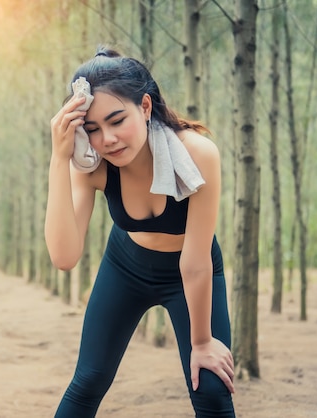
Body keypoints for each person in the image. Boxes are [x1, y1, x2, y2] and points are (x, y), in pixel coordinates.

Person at [45, 46, 236, 417]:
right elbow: (64, 256)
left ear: (145, 107)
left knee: (211, 388)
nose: (107, 139)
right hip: (125, 267)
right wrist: (59, 158)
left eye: (117, 121)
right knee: (88, 381)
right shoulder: (92, 166)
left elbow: (195, 263)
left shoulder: (198, 154)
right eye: (92, 130)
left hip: (191, 272)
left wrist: (202, 342)